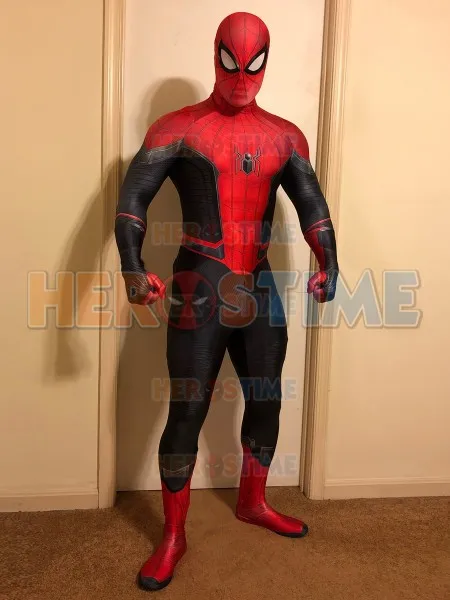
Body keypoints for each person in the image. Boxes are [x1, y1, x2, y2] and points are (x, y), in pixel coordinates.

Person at [115, 11, 338, 591]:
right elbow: (133, 201)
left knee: (267, 398)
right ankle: (173, 535)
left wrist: (329, 261)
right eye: (230, 65)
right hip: (201, 282)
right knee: (187, 409)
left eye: (253, 67)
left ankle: (253, 501)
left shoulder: (285, 136)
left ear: (267, 63)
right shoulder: (176, 128)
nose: (241, 80)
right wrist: (132, 269)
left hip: (257, 285)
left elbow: (312, 205)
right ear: (214, 55)